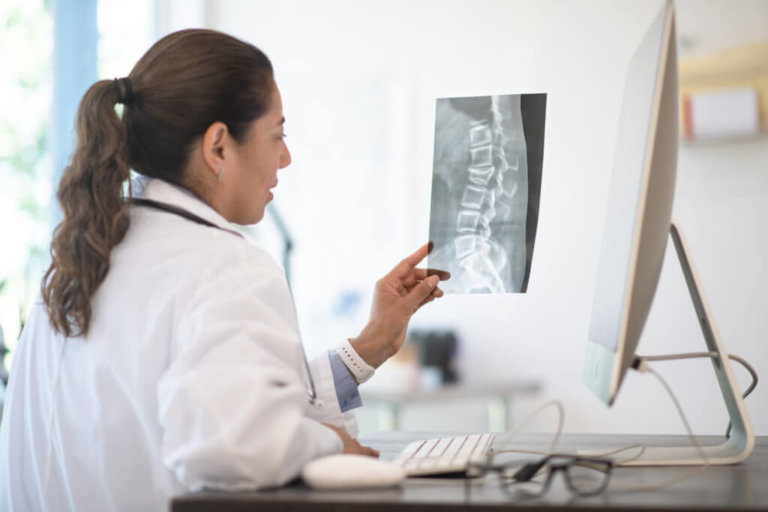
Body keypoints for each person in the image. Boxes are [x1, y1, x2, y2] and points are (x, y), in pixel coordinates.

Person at [0, 29, 445, 511]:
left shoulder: (78, 256)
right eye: (278, 135)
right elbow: (234, 445)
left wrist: (364, 351)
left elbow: (218, 399)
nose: (286, 157)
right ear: (218, 147)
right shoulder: (227, 265)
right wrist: (336, 445)